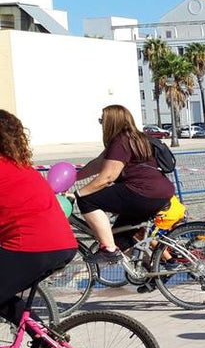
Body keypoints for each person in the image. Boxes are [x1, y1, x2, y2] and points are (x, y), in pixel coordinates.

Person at [0, 110, 78, 320]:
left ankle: (43, 342)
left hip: (32, 246)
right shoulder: (22, 167)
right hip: (62, 244)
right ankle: (44, 341)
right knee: (3, 296)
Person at [73, 104, 175, 263]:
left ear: (111, 121)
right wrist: (74, 178)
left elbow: (107, 177)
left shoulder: (120, 141)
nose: (101, 124)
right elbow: (97, 164)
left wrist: (77, 194)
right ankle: (153, 269)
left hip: (142, 192)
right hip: (160, 191)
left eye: (102, 120)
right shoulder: (138, 138)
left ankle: (108, 249)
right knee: (119, 237)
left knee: (87, 200)